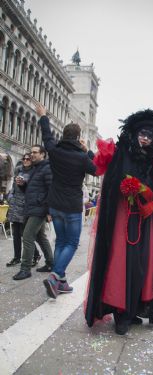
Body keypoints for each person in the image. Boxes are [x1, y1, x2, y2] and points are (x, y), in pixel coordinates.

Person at [84, 109, 153, 335]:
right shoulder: (121, 152)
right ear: (134, 133)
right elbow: (103, 171)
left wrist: (148, 198)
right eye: (142, 133)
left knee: (141, 263)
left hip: (144, 220)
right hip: (121, 218)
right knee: (120, 262)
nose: (145, 138)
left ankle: (133, 310)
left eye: (150, 136)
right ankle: (121, 312)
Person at [36, 103, 97, 299]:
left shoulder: (54, 150)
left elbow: (46, 136)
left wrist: (43, 116)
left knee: (61, 241)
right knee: (71, 242)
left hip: (55, 205)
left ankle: (61, 282)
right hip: (71, 206)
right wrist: (88, 152)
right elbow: (97, 169)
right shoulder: (81, 157)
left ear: (63, 135)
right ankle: (55, 276)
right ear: (78, 138)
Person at [13, 145, 54, 280]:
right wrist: (23, 185)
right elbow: (32, 190)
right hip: (31, 207)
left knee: (27, 236)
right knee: (40, 237)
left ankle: (25, 269)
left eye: (35, 152)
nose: (32, 155)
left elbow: (51, 190)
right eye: (31, 152)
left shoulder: (47, 168)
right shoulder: (36, 169)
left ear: (43, 154)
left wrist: (48, 211)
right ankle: (50, 263)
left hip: (39, 209)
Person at [6, 154, 41, 267]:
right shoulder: (18, 170)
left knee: (25, 235)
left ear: (31, 161)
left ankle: (36, 255)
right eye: (24, 159)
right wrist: (10, 198)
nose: (25, 160)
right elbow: (13, 189)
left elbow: (33, 190)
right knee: (16, 234)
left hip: (26, 208)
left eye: (28, 159)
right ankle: (16, 257)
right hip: (15, 206)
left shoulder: (34, 173)